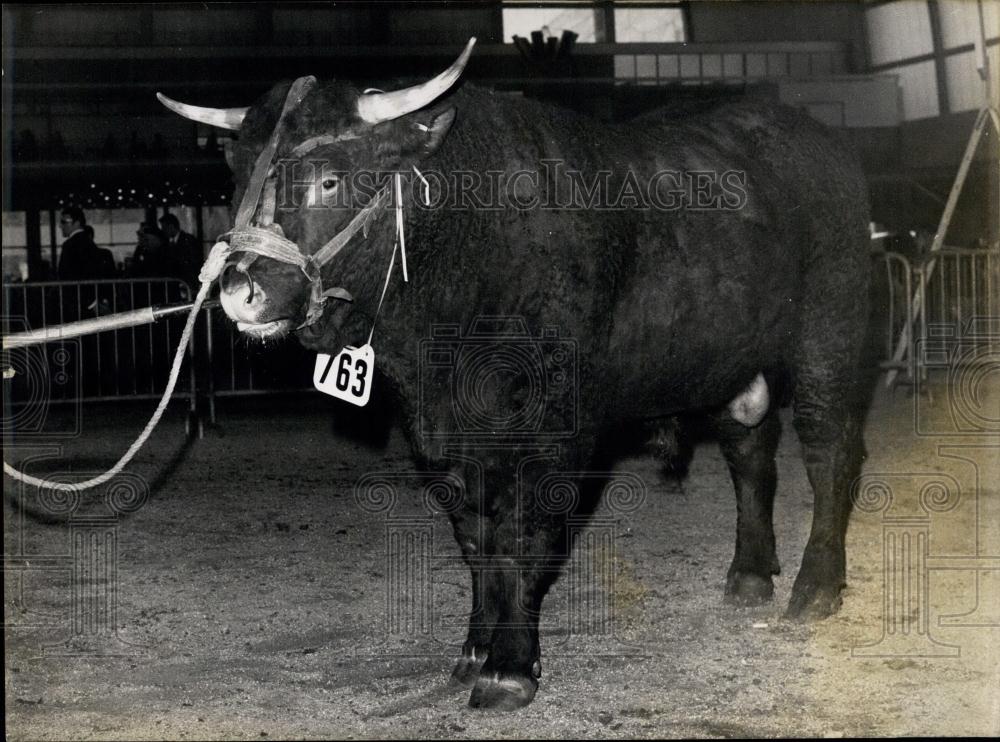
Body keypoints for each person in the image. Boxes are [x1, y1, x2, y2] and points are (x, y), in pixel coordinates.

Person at [158, 213, 203, 287]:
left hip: (187, 282)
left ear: (171, 226)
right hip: (175, 283)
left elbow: (193, 263)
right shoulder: (167, 243)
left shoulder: (188, 240)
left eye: (164, 228)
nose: (163, 231)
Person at [57, 206, 99, 280]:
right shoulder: (89, 242)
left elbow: (63, 274)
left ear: (76, 223)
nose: (60, 226)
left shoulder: (69, 245)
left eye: (64, 222)